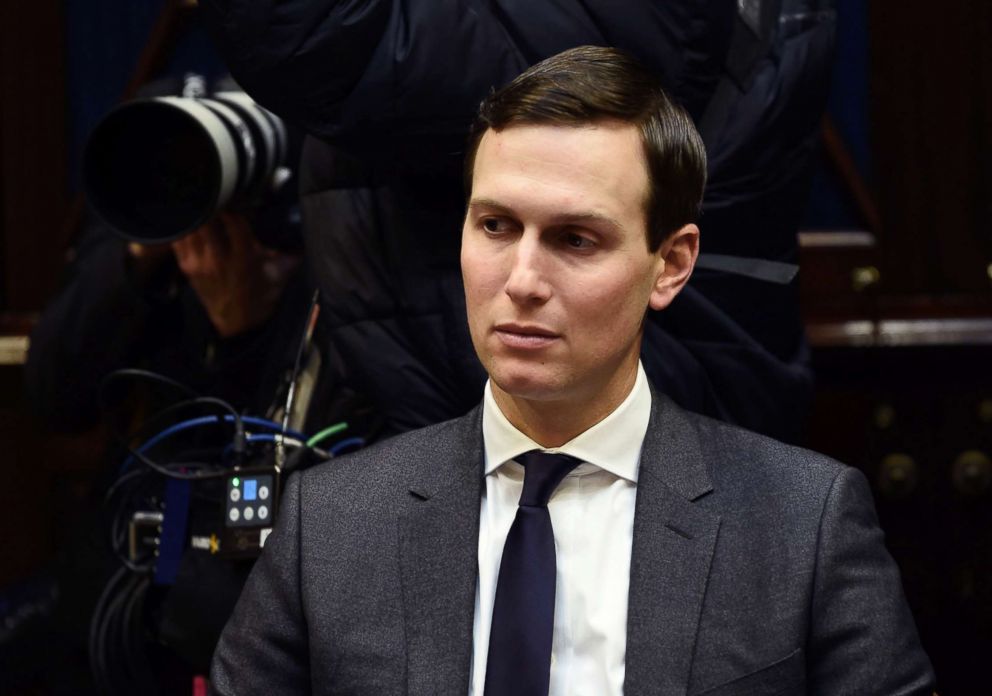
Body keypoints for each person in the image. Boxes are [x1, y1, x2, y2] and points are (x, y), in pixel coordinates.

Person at [210, 46, 934, 695]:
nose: (522, 278)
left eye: (575, 238)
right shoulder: (330, 523)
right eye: (495, 226)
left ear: (670, 265)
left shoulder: (803, 522)